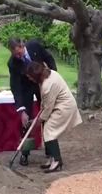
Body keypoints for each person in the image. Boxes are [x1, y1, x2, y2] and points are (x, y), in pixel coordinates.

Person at [7, 38, 57, 166]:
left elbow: (49, 58)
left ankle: (51, 150)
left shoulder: (35, 45)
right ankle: (25, 153)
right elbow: (15, 87)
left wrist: (53, 77)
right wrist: (22, 110)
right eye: (15, 55)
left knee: (47, 116)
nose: (19, 56)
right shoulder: (13, 63)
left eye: (20, 52)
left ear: (22, 45)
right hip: (26, 89)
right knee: (26, 120)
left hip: (42, 83)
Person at [25, 61, 82, 173]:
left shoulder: (48, 85)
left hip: (65, 107)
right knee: (47, 129)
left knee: (49, 130)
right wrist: (38, 119)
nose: (29, 79)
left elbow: (47, 110)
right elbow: (46, 104)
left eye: (30, 77)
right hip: (58, 105)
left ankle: (57, 161)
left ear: (36, 75)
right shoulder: (50, 73)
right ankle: (52, 158)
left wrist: (36, 122)